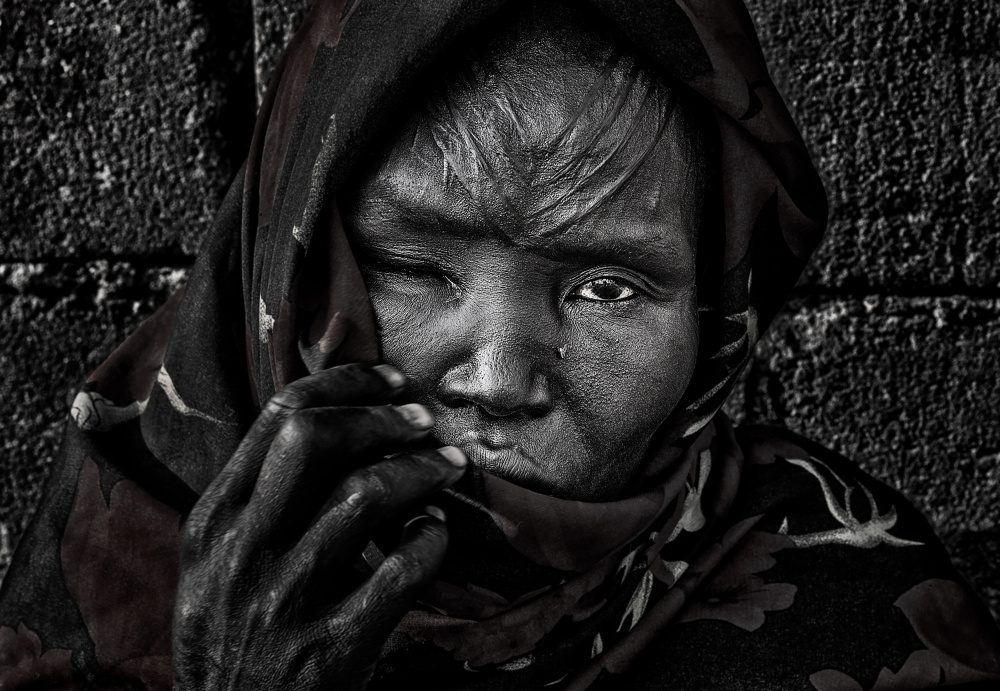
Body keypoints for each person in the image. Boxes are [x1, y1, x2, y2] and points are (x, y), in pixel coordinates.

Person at [1, 0, 998, 689]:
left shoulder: (865, 622)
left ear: (716, 320)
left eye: (608, 288)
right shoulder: (118, 562)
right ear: (287, 271)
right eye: (415, 268)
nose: (499, 378)